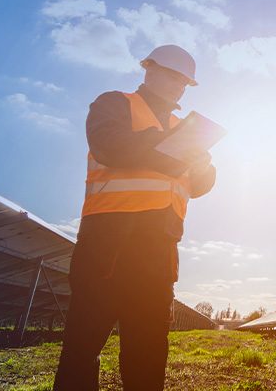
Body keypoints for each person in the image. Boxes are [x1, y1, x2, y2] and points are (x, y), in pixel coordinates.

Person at [54, 45, 216, 390]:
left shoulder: (182, 127)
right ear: (149, 68)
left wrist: (203, 164)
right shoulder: (115, 103)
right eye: (174, 76)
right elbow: (108, 144)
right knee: (82, 348)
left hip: (158, 251)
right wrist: (168, 145)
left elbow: (200, 185)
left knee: (148, 351)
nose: (179, 85)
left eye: (185, 81)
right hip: (108, 244)